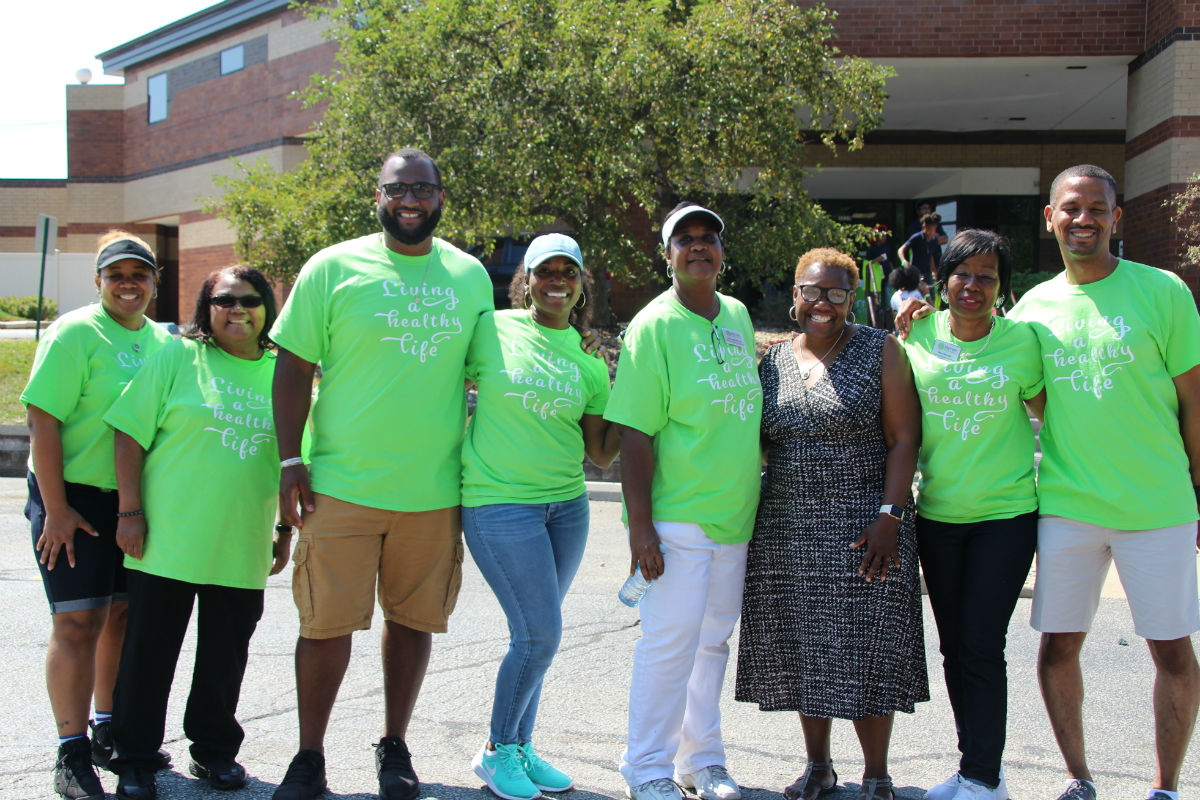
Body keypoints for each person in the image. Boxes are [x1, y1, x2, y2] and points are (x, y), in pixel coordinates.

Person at [269, 148, 495, 800]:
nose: (411, 199)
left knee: (413, 621)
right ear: (378, 196)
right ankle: (309, 757)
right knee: (324, 626)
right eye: (398, 188)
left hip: (432, 491)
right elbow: (291, 369)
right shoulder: (333, 267)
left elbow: (490, 372)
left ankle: (395, 746)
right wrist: (291, 461)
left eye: (422, 187)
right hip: (341, 486)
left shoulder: (469, 276)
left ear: (441, 196)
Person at [1007, 165, 1200, 800]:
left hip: (1159, 506)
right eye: (1070, 208)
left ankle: (1165, 787)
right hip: (1068, 506)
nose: (1082, 219)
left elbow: (1194, 403)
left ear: (1117, 218)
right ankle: (1078, 778)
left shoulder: (1163, 291)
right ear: (1050, 218)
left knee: (1172, 651)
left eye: (1096, 208)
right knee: (1058, 647)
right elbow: (1029, 398)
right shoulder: (1033, 308)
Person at [735, 248, 926, 800]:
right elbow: (760, 441)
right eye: (813, 291)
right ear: (795, 295)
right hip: (789, 525)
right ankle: (818, 767)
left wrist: (891, 515)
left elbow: (905, 439)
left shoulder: (879, 349)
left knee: (867, 648)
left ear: (851, 297)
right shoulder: (770, 360)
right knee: (806, 647)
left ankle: (876, 775)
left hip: (867, 524)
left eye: (837, 293)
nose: (823, 303)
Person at [102, 267, 289, 799]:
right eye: (224, 300)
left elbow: (290, 460)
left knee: (224, 658)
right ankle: (135, 757)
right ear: (206, 308)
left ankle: (214, 750)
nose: (238, 309)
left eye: (250, 300)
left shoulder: (285, 373)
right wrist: (130, 512)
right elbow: (127, 433)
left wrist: (283, 529)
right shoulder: (177, 356)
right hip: (168, 541)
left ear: (266, 310)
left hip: (241, 543)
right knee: (149, 655)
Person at [605, 203, 762, 800]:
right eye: (685, 240)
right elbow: (637, 434)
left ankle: (702, 760)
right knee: (669, 643)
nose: (699, 247)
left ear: (722, 253)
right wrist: (640, 526)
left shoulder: (739, 315)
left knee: (713, 641)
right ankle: (646, 767)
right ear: (667, 255)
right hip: (678, 517)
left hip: (735, 514)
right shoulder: (653, 325)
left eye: (709, 238)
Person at [462, 233, 620, 800]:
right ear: (525, 279)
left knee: (535, 637)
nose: (558, 280)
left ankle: (522, 750)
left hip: (567, 509)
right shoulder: (491, 329)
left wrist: (635, 393)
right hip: (499, 503)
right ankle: (496, 749)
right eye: (545, 270)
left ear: (582, 284)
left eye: (569, 272)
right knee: (539, 634)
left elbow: (600, 453)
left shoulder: (588, 358)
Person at [21, 231, 174, 800]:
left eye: (139, 274)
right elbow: (43, 421)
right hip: (74, 498)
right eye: (116, 275)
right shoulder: (75, 333)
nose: (128, 284)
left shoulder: (164, 341)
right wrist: (56, 510)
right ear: (99, 282)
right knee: (78, 622)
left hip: (133, 499)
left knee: (121, 618)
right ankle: (72, 750)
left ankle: (108, 728)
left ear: (155, 283)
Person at [901, 230, 1044, 800]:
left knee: (981, 645)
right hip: (938, 515)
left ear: (1002, 287)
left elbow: (1049, 415)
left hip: (1005, 517)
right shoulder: (917, 333)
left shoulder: (1021, 342)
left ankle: (984, 778)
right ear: (944, 280)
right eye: (964, 274)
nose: (974, 286)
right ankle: (977, 767)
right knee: (954, 648)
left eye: (988, 276)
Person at [899, 213, 943, 287]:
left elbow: (930, 254)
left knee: (931, 296)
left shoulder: (934, 240)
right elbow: (900, 250)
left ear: (934, 227)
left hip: (927, 272)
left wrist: (934, 270)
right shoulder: (917, 237)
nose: (924, 228)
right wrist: (904, 261)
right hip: (915, 272)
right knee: (916, 293)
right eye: (924, 226)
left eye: (927, 227)